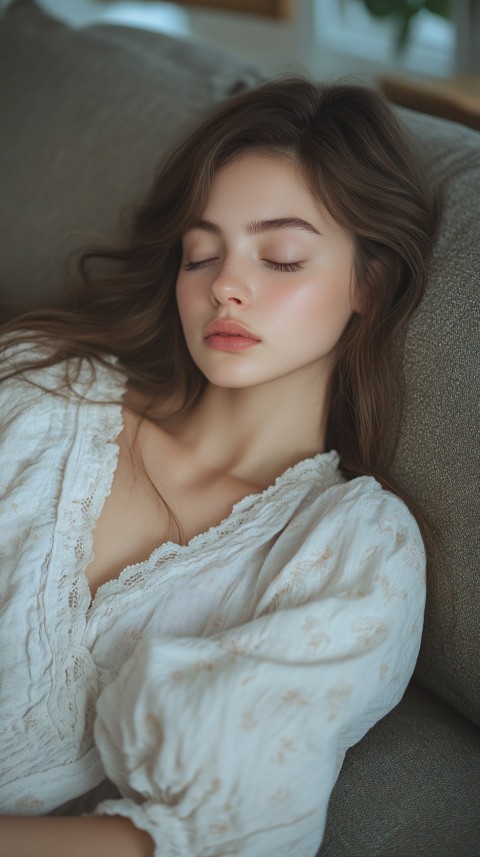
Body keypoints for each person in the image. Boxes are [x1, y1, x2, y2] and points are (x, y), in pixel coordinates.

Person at [0, 77, 437, 857]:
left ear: (369, 281)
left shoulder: (353, 545)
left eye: (281, 256)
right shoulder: (42, 391)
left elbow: (206, 837)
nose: (224, 286)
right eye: (201, 253)